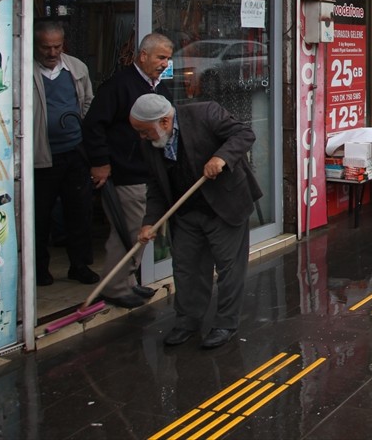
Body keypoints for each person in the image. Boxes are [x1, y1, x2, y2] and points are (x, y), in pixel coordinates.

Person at [131, 94, 261, 349]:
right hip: (186, 212)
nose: (142, 137)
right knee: (187, 268)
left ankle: (225, 324)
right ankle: (187, 321)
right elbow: (156, 185)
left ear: (165, 122)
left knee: (229, 269)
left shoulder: (206, 113)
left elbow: (244, 134)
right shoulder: (151, 143)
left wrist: (221, 157)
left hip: (225, 205)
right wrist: (150, 222)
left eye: (144, 131)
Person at [82, 32, 174, 309]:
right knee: (129, 231)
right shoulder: (119, 86)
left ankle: (128, 282)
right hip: (126, 171)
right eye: (160, 57)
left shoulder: (159, 87)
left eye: (168, 59)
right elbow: (93, 125)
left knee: (141, 231)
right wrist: (100, 163)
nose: (165, 64)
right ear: (143, 56)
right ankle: (114, 288)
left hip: (149, 172)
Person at [32, 22, 99, 287]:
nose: (51, 52)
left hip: (74, 151)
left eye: (57, 46)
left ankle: (79, 265)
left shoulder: (76, 67)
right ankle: (39, 269)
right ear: (36, 45)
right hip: (42, 155)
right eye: (46, 47)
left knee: (79, 212)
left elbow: (87, 102)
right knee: (40, 216)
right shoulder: (26, 69)